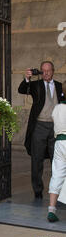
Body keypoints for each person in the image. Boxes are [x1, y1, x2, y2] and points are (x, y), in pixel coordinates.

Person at [18, 62, 62, 199]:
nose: (46, 73)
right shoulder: (36, 85)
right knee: (37, 160)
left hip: (56, 127)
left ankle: (57, 189)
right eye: (43, 71)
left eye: (48, 71)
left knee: (58, 159)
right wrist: (27, 78)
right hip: (39, 126)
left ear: (53, 71)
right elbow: (22, 89)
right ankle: (38, 190)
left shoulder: (60, 86)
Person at [47, 81, 66, 222]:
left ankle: (51, 209)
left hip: (59, 143)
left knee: (57, 175)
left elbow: (55, 119)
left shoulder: (57, 108)